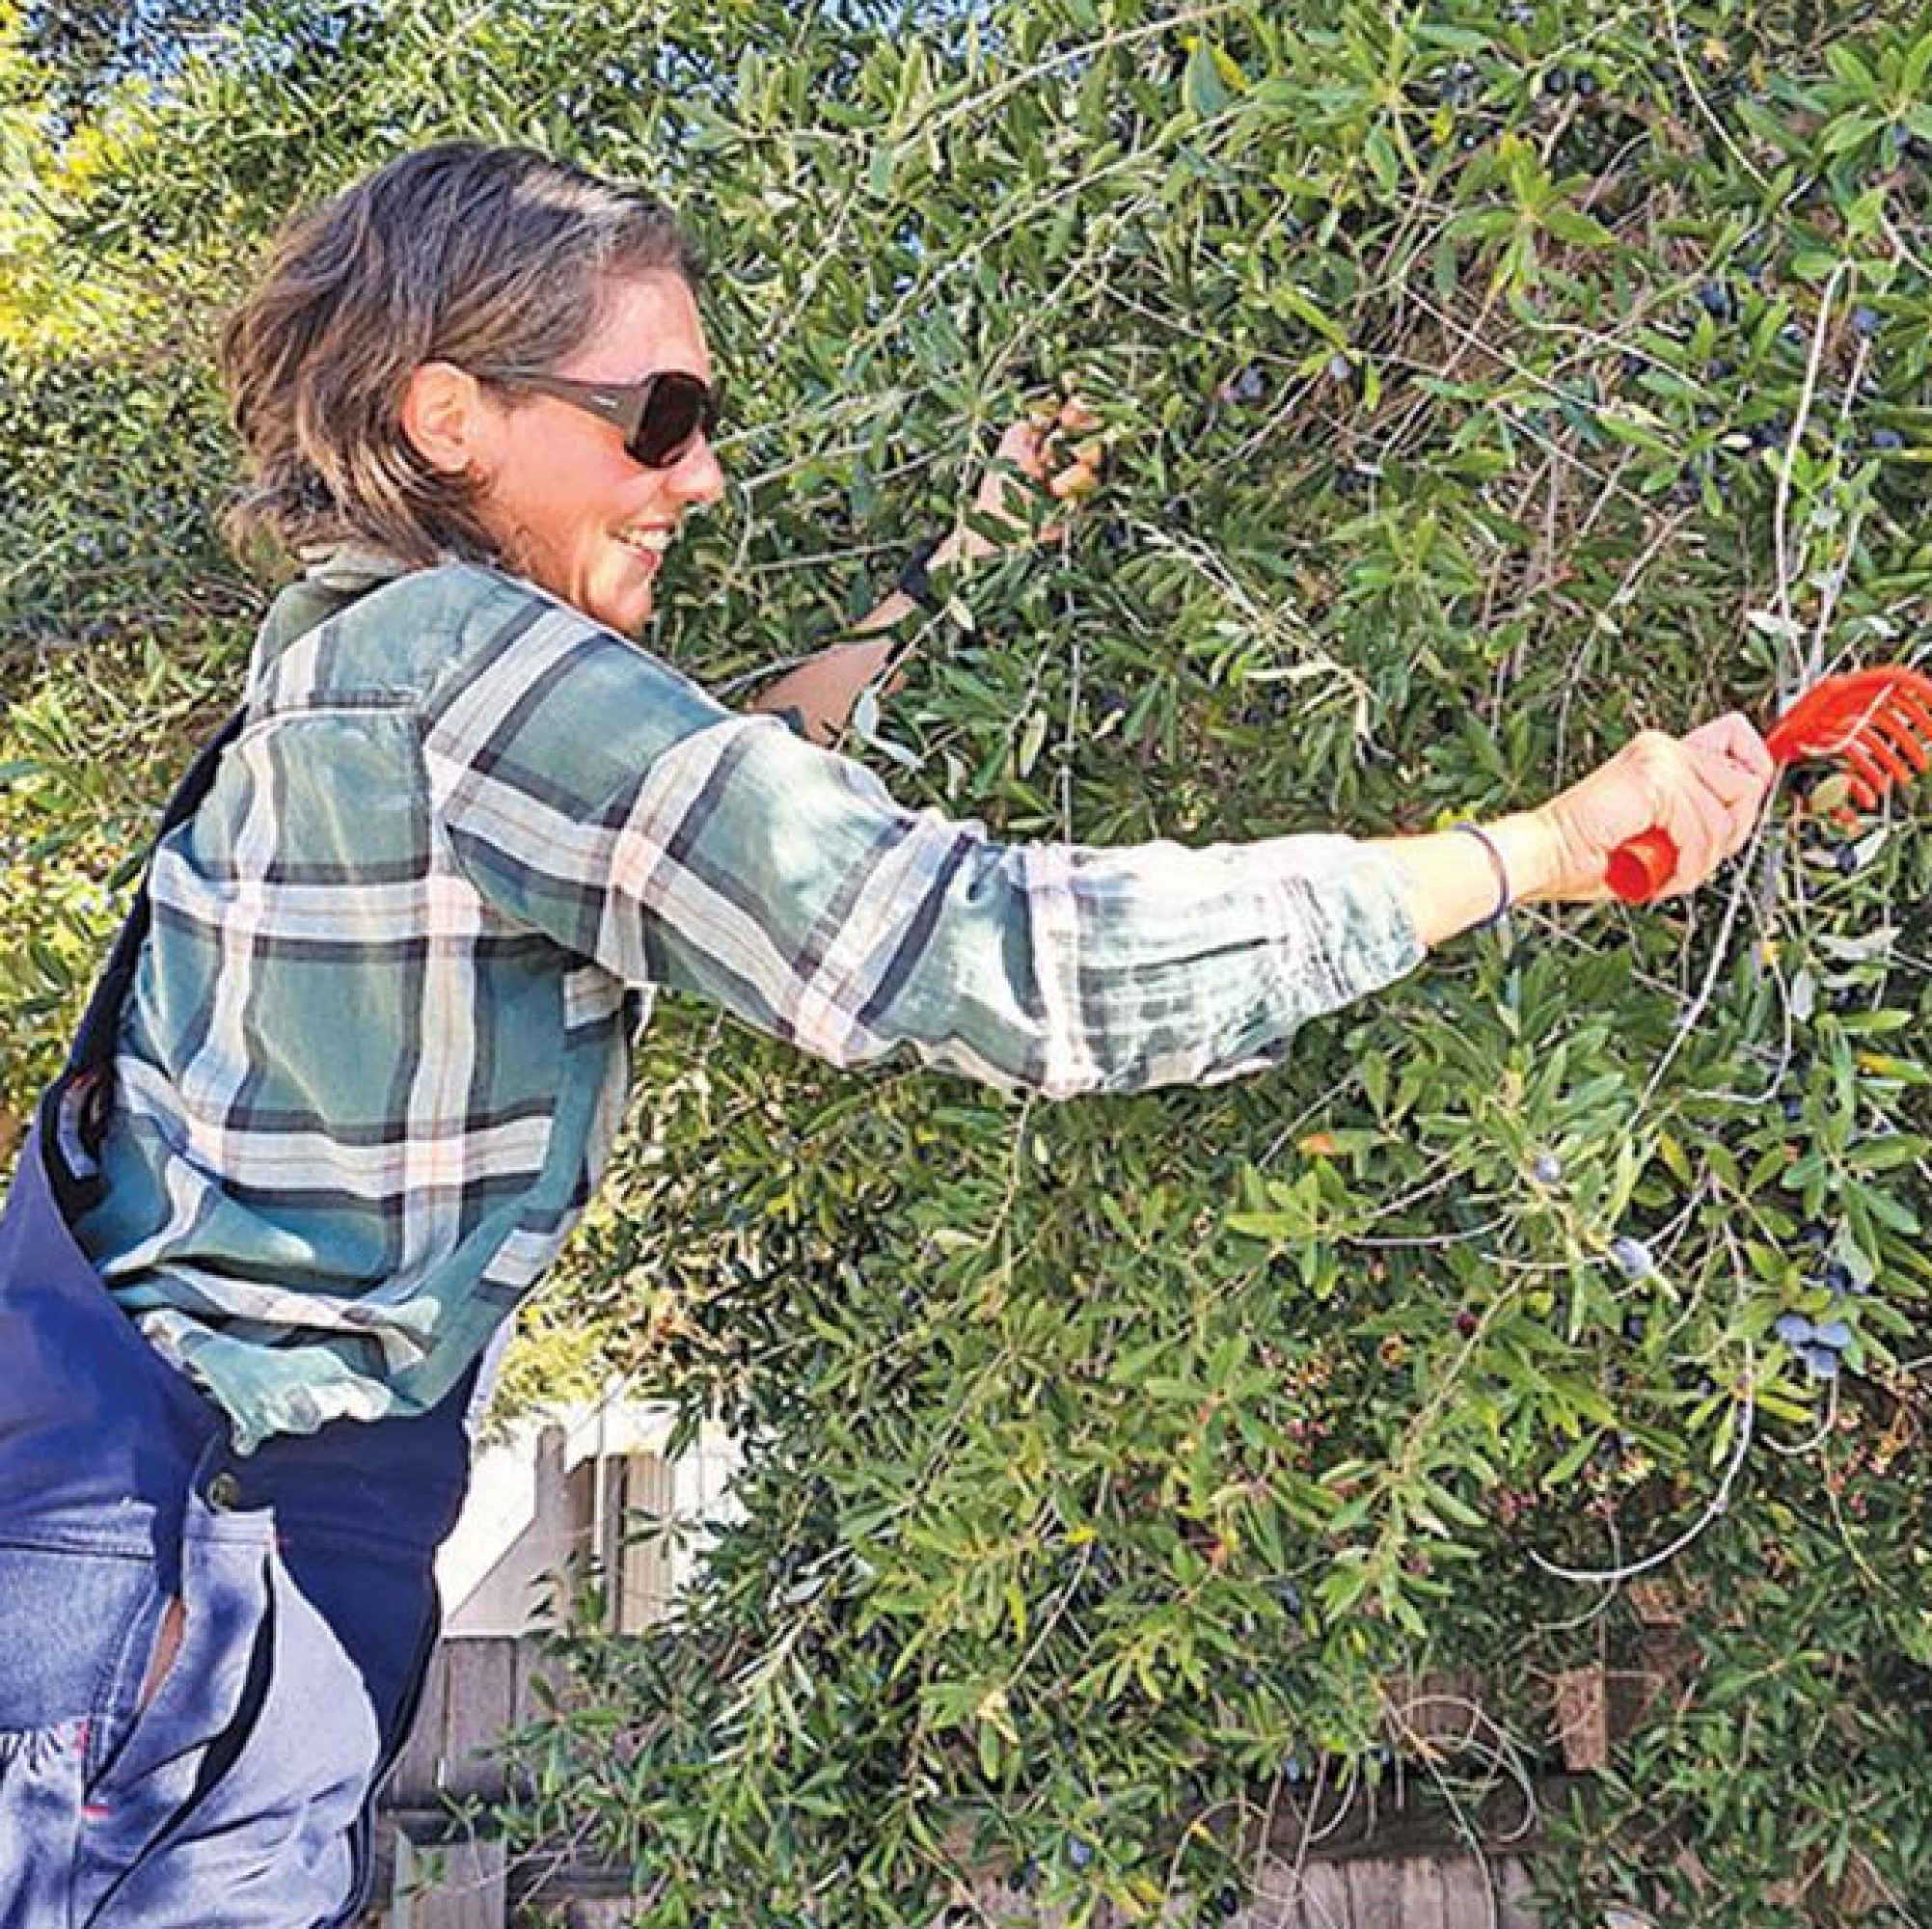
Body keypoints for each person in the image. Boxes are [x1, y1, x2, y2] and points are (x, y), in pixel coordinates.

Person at [0, 141, 1776, 1927]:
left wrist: (972, 558)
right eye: (656, 411)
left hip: (159, 1583)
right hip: (193, 1615)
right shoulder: (470, 675)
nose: (697, 471)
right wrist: (1528, 854)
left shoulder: (350, 660)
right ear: (451, 412)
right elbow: (990, 952)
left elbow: (737, 784)